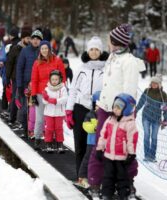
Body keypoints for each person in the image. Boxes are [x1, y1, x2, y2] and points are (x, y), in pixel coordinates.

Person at [87, 24, 145, 197]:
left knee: (122, 148)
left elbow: (129, 90)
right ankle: (96, 182)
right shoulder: (112, 57)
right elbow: (109, 83)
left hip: (121, 112)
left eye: (109, 40)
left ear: (116, 42)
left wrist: (124, 113)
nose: (107, 43)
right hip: (106, 108)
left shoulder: (129, 62)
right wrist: (102, 98)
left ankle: (127, 183)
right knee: (100, 146)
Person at [66, 36, 109, 179]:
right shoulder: (81, 69)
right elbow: (72, 90)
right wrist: (69, 110)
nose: (94, 52)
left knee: (95, 145)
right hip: (80, 108)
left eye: (97, 49)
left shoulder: (106, 69)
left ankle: (94, 176)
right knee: (80, 144)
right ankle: (81, 176)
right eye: (91, 49)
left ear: (101, 51)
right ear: (88, 51)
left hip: (98, 110)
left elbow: (110, 89)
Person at [96, 93, 138, 200]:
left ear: (126, 109)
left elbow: (131, 140)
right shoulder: (110, 120)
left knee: (122, 177)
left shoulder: (129, 123)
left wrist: (131, 154)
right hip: (109, 156)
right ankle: (106, 194)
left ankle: (124, 195)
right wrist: (100, 148)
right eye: (114, 106)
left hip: (122, 158)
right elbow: (103, 135)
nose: (115, 109)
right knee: (107, 177)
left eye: (118, 108)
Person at [31, 40, 66, 150]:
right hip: (41, 93)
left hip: (55, 93)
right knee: (40, 118)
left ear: (50, 49)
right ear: (40, 50)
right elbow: (34, 80)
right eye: (42, 49)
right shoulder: (37, 63)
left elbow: (63, 77)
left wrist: (62, 91)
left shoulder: (57, 61)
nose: (44, 50)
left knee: (54, 117)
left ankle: (54, 139)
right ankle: (37, 138)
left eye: (46, 48)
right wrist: (33, 95)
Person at [16, 30, 43, 137]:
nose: (36, 41)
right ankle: (25, 128)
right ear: (31, 40)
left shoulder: (43, 51)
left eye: (38, 39)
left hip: (39, 85)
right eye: (34, 39)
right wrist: (19, 84)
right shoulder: (25, 51)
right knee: (24, 109)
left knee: (36, 109)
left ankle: (34, 130)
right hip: (25, 83)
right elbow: (19, 68)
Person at [135, 74, 167, 162]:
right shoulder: (147, 91)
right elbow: (141, 101)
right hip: (146, 116)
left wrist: (165, 120)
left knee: (154, 137)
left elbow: (165, 108)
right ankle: (147, 155)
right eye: (152, 83)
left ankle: (152, 156)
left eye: (156, 83)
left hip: (156, 118)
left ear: (159, 84)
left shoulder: (163, 94)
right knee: (146, 135)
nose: (153, 84)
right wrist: (136, 110)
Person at [75, 91, 100, 189]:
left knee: (98, 160)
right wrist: (94, 128)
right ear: (94, 104)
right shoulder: (91, 114)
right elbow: (85, 125)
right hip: (92, 142)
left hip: (101, 143)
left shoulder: (106, 116)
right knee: (88, 158)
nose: (99, 108)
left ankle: (95, 177)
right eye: (97, 105)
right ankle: (82, 176)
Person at [6, 30, 31, 126]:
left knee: (26, 98)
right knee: (16, 97)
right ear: (22, 38)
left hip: (27, 78)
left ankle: (23, 119)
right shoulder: (16, 48)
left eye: (30, 38)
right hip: (16, 76)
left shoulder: (31, 49)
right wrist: (7, 77)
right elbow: (9, 63)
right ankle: (12, 117)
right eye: (27, 38)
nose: (29, 40)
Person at [42, 70, 68, 153]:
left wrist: (55, 101)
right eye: (52, 79)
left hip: (59, 113)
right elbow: (44, 102)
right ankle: (48, 143)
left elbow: (65, 99)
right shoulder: (47, 89)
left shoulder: (63, 89)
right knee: (49, 128)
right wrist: (46, 99)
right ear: (50, 80)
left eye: (56, 79)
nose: (54, 81)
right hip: (49, 113)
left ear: (60, 79)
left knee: (59, 128)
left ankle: (59, 143)